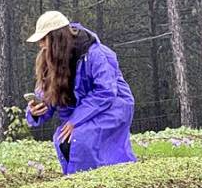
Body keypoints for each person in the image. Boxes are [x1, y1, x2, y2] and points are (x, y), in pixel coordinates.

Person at [25, 11, 136, 175]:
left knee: (81, 138)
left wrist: (75, 121)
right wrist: (35, 111)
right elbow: (47, 96)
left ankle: (96, 178)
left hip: (113, 107)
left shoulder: (96, 54)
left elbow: (106, 92)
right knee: (63, 140)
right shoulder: (50, 58)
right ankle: (80, 179)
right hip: (83, 110)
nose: (40, 44)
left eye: (43, 39)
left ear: (57, 37)